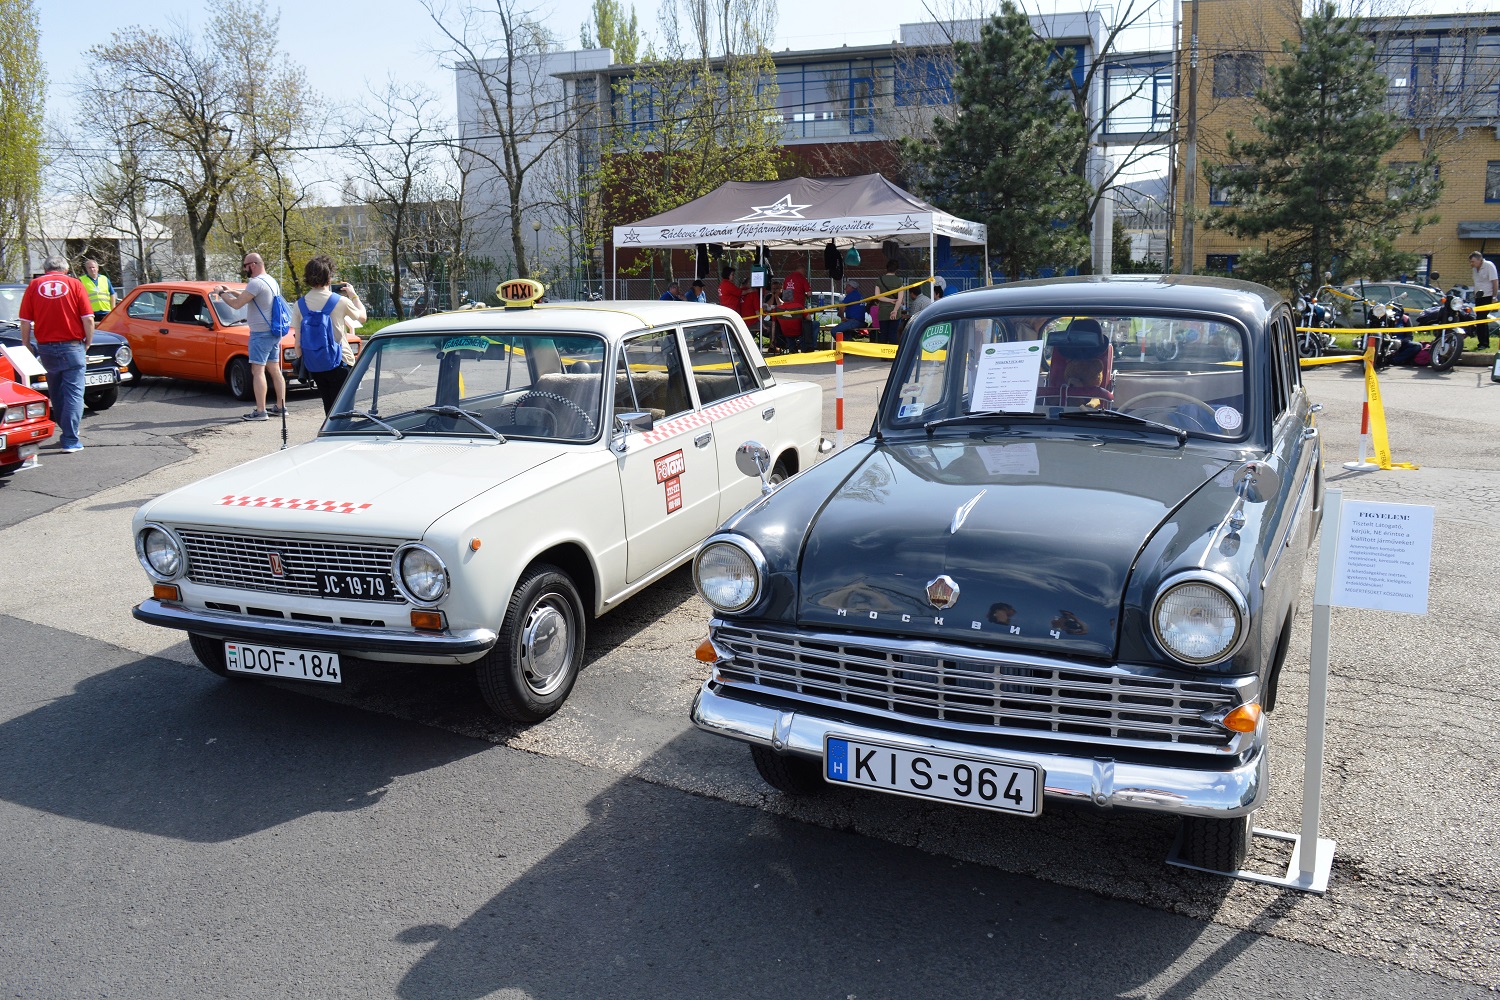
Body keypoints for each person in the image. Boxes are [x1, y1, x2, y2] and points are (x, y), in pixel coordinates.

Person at [18, 256, 95, 453]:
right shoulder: (75, 284)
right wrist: (88, 341)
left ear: (45, 269)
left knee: (57, 392)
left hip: (46, 346)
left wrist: (26, 344)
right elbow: (88, 318)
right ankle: (70, 439)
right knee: (74, 393)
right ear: (66, 269)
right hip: (72, 345)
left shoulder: (34, 285)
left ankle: (65, 433)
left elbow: (25, 321)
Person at [213, 252, 287, 421]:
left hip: (260, 334)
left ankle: (260, 411)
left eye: (245, 266)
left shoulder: (255, 283)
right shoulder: (270, 280)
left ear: (253, 265)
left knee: (257, 370)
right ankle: (281, 406)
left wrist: (221, 293)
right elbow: (250, 298)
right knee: (275, 370)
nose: (244, 269)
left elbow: (237, 304)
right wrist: (231, 291)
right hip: (274, 332)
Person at [291, 256, 367, 415]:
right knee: (344, 411)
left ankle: (329, 436)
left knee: (329, 409)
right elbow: (362, 317)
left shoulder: (300, 304)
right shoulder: (340, 301)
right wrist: (353, 296)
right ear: (329, 276)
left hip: (316, 366)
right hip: (341, 361)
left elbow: (297, 344)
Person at [872, 261, 906, 344]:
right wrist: (895, 310)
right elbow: (900, 298)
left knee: (883, 334)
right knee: (893, 334)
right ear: (896, 269)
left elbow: (877, 296)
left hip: (883, 311)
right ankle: (893, 355)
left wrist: (889, 300)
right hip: (895, 311)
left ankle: (883, 355)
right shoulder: (899, 281)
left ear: (886, 268)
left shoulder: (879, 280)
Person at [1469, 251, 1496, 349]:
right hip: (1478, 297)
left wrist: (1494, 297)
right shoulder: (1474, 269)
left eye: (1473, 261)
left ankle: (1484, 344)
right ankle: (1482, 342)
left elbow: (1495, 281)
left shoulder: (1489, 265)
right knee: (1480, 319)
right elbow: (1476, 283)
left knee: (1481, 318)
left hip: (1488, 296)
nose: (1471, 264)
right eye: (1470, 262)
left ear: (1480, 260)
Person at [79, 257, 116, 323]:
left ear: (97, 268)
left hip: (106, 312)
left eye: (93, 267)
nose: (92, 269)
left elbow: (112, 294)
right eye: (89, 268)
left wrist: (113, 309)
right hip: (91, 313)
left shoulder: (104, 279)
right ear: (86, 269)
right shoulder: (81, 280)